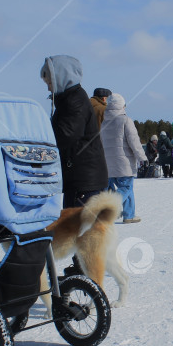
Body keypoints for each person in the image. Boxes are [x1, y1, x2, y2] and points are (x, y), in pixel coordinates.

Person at [41, 55, 108, 275]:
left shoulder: (74, 100)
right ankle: (81, 269)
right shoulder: (68, 98)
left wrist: (41, 139)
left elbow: (65, 135)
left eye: (49, 79)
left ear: (60, 76)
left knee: (83, 228)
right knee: (78, 225)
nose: (48, 85)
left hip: (84, 177)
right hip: (79, 174)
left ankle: (85, 274)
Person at [99, 93, 147, 223]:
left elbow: (101, 143)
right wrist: (142, 157)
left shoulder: (104, 122)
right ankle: (112, 204)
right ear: (121, 106)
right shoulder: (125, 120)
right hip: (124, 163)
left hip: (108, 164)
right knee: (126, 187)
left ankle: (129, 215)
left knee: (127, 189)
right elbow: (134, 141)